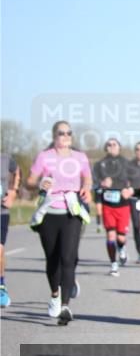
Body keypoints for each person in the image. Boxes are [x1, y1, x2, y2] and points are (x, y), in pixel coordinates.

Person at [26, 121, 93, 325]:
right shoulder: (44, 156)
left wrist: (86, 188)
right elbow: (29, 181)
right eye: (61, 133)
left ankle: (65, 306)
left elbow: (88, 178)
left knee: (68, 258)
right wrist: (39, 183)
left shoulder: (80, 157)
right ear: (54, 136)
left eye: (68, 133)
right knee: (52, 259)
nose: (65, 136)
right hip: (49, 212)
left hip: (71, 212)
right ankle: (55, 295)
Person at [93, 138, 134, 276]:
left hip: (123, 205)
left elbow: (136, 181)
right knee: (110, 235)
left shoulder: (127, 163)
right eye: (108, 145)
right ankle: (113, 264)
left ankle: (122, 249)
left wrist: (130, 190)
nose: (111, 147)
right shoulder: (100, 164)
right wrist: (101, 183)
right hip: (107, 204)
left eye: (114, 144)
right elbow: (93, 182)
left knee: (121, 238)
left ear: (119, 147)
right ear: (106, 148)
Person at [0, 152, 20, 307]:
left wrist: (14, 191)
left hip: (1, 211)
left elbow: (17, 170)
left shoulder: (6, 159)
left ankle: (1, 286)